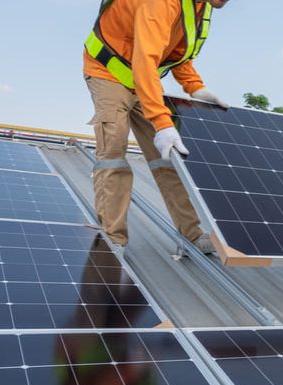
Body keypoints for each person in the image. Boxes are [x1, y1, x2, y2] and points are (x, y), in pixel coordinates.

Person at [82, 0, 232, 253]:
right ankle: (113, 239)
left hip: (142, 77)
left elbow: (178, 55)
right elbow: (145, 58)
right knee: (114, 155)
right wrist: (162, 121)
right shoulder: (160, 2)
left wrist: (196, 87)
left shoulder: (200, 6)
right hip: (107, 72)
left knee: (168, 157)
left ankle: (192, 236)